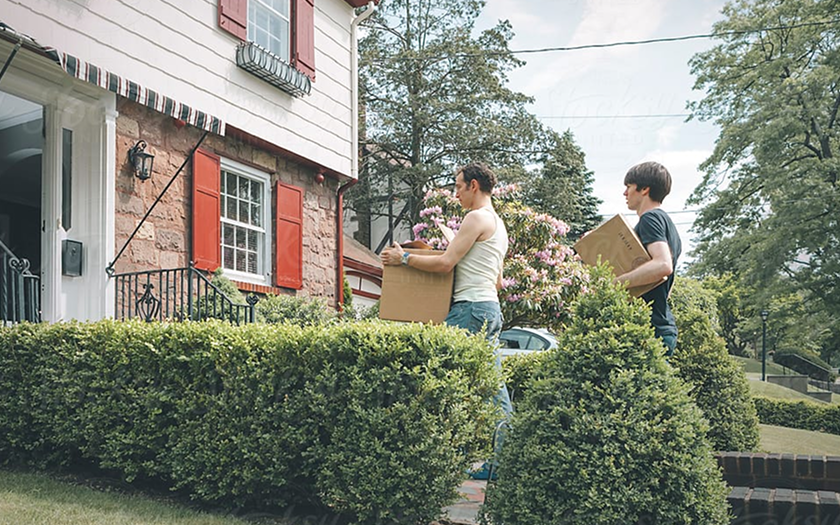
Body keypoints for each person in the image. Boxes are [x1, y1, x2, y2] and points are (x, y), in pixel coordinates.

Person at [381, 161, 510, 479]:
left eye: (458, 186)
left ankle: (441, 458)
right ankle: (501, 462)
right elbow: (496, 281)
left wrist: (405, 258)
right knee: (493, 388)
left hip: (469, 309)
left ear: (474, 186)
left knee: (436, 378)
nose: (456, 193)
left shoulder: (475, 217)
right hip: (489, 309)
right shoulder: (498, 224)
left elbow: (446, 264)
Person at [615, 161, 682, 355]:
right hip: (661, 327)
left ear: (644, 189)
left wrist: (615, 283)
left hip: (650, 330)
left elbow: (662, 266)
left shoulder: (650, 219)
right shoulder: (668, 225)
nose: (625, 193)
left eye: (629, 187)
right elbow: (665, 285)